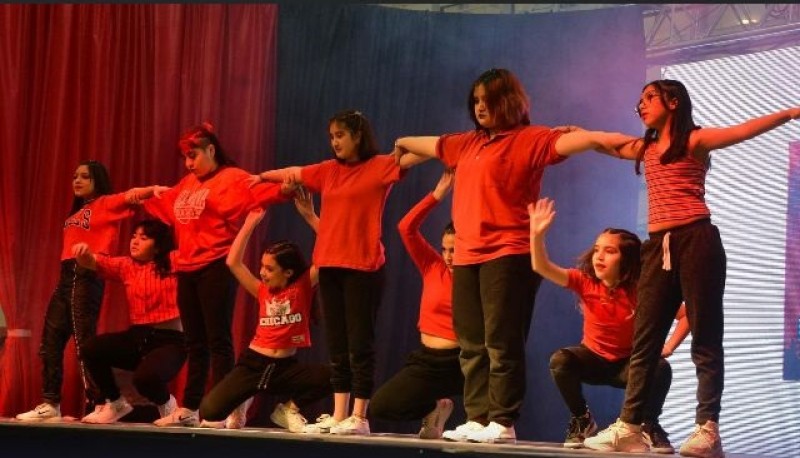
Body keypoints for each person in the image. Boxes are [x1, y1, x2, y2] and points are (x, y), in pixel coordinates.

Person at [393, 68, 637, 444]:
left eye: (486, 100)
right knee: (471, 342)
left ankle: (503, 419)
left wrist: (631, 145)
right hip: (469, 257)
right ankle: (477, 416)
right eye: (474, 101)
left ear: (507, 101)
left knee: (501, 341)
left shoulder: (531, 139)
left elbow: (587, 139)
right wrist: (400, 142)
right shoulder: (467, 143)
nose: (479, 107)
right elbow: (426, 144)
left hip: (509, 253)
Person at [582, 80, 800, 457]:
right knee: (645, 338)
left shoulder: (695, 140)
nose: (642, 105)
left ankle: (707, 428)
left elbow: (742, 130)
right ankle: (630, 425)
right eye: (639, 101)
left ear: (673, 100)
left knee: (705, 336)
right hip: (657, 247)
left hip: (697, 240)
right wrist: (571, 135)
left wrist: (791, 112)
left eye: (649, 97)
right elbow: (606, 142)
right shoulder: (644, 148)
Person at [251, 110, 414, 436]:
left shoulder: (380, 166)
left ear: (357, 136)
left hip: (364, 267)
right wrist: (257, 178)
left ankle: (360, 416)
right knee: (337, 344)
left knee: (360, 344)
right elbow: (293, 173)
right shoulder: (327, 171)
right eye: (331, 136)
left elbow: (416, 156)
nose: (335, 141)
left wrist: (405, 146)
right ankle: (340, 414)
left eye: (340, 135)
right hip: (330, 266)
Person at [127, 122, 293, 426]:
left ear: (211, 150)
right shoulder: (188, 183)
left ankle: (229, 405)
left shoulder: (232, 178)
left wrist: (288, 184)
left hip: (215, 265)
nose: (189, 163)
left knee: (217, 340)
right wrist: (144, 195)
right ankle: (189, 409)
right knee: (195, 342)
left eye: (194, 156)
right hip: (187, 269)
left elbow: (265, 191)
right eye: (186, 158)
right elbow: (165, 203)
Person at [529, 197, 689, 452]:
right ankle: (582, 419)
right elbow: (541, 266)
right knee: (560, 361)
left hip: (628, 366)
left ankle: (648, 424)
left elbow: (686, 315)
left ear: (626, 260)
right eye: (597, 249)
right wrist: (536, 235)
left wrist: (668, 347)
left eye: (609, 251)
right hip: (593, 359)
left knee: (660, 368)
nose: (599, 256)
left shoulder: (641, 290)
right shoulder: (584, 281)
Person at [16, 161, 138, 422]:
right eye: (75, 176)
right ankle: (51, 403)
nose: (77, 180)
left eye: (85, 176)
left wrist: (156, 190)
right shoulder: (77, 212)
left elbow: (133, 196)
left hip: (86, 274)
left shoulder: (105, 203)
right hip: (66, 276)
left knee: (85, 341)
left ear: (98, 180)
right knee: (50, 342)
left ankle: (107, 401)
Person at [197, 209, 331, 431]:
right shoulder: (261, 291)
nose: (262, 273)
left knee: (336, 377)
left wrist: (310, 216)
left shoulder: (303, 287)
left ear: (288, 272)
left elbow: (329, 253)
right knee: (210, 413)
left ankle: (289, 409)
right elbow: (233, 262)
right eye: (261, 266)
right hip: (253, 364)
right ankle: (243, 397)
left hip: (284, 369)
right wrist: (250, 223)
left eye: (269, 268)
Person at [366, 170, 464, 439]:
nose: (448, 256)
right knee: (381, 406)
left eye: (454, 250)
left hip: (462, 362)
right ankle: (434, 409)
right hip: (427, 362)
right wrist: (437, 195)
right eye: (445, 249)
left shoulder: (478, 276)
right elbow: (405, 227)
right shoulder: (433, 266)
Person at [71, 219, 186, 424]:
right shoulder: (127, 265)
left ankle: (168, 405)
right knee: (91, 349)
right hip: (138, 336)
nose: (135, 241)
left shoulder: (174, 260)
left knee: (144, 379)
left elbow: (201, 255)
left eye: (144, 238)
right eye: (134, 236)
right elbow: (94, 261)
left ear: (158, 245)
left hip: (171, 340)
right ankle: (116, 403)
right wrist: (84, 254)